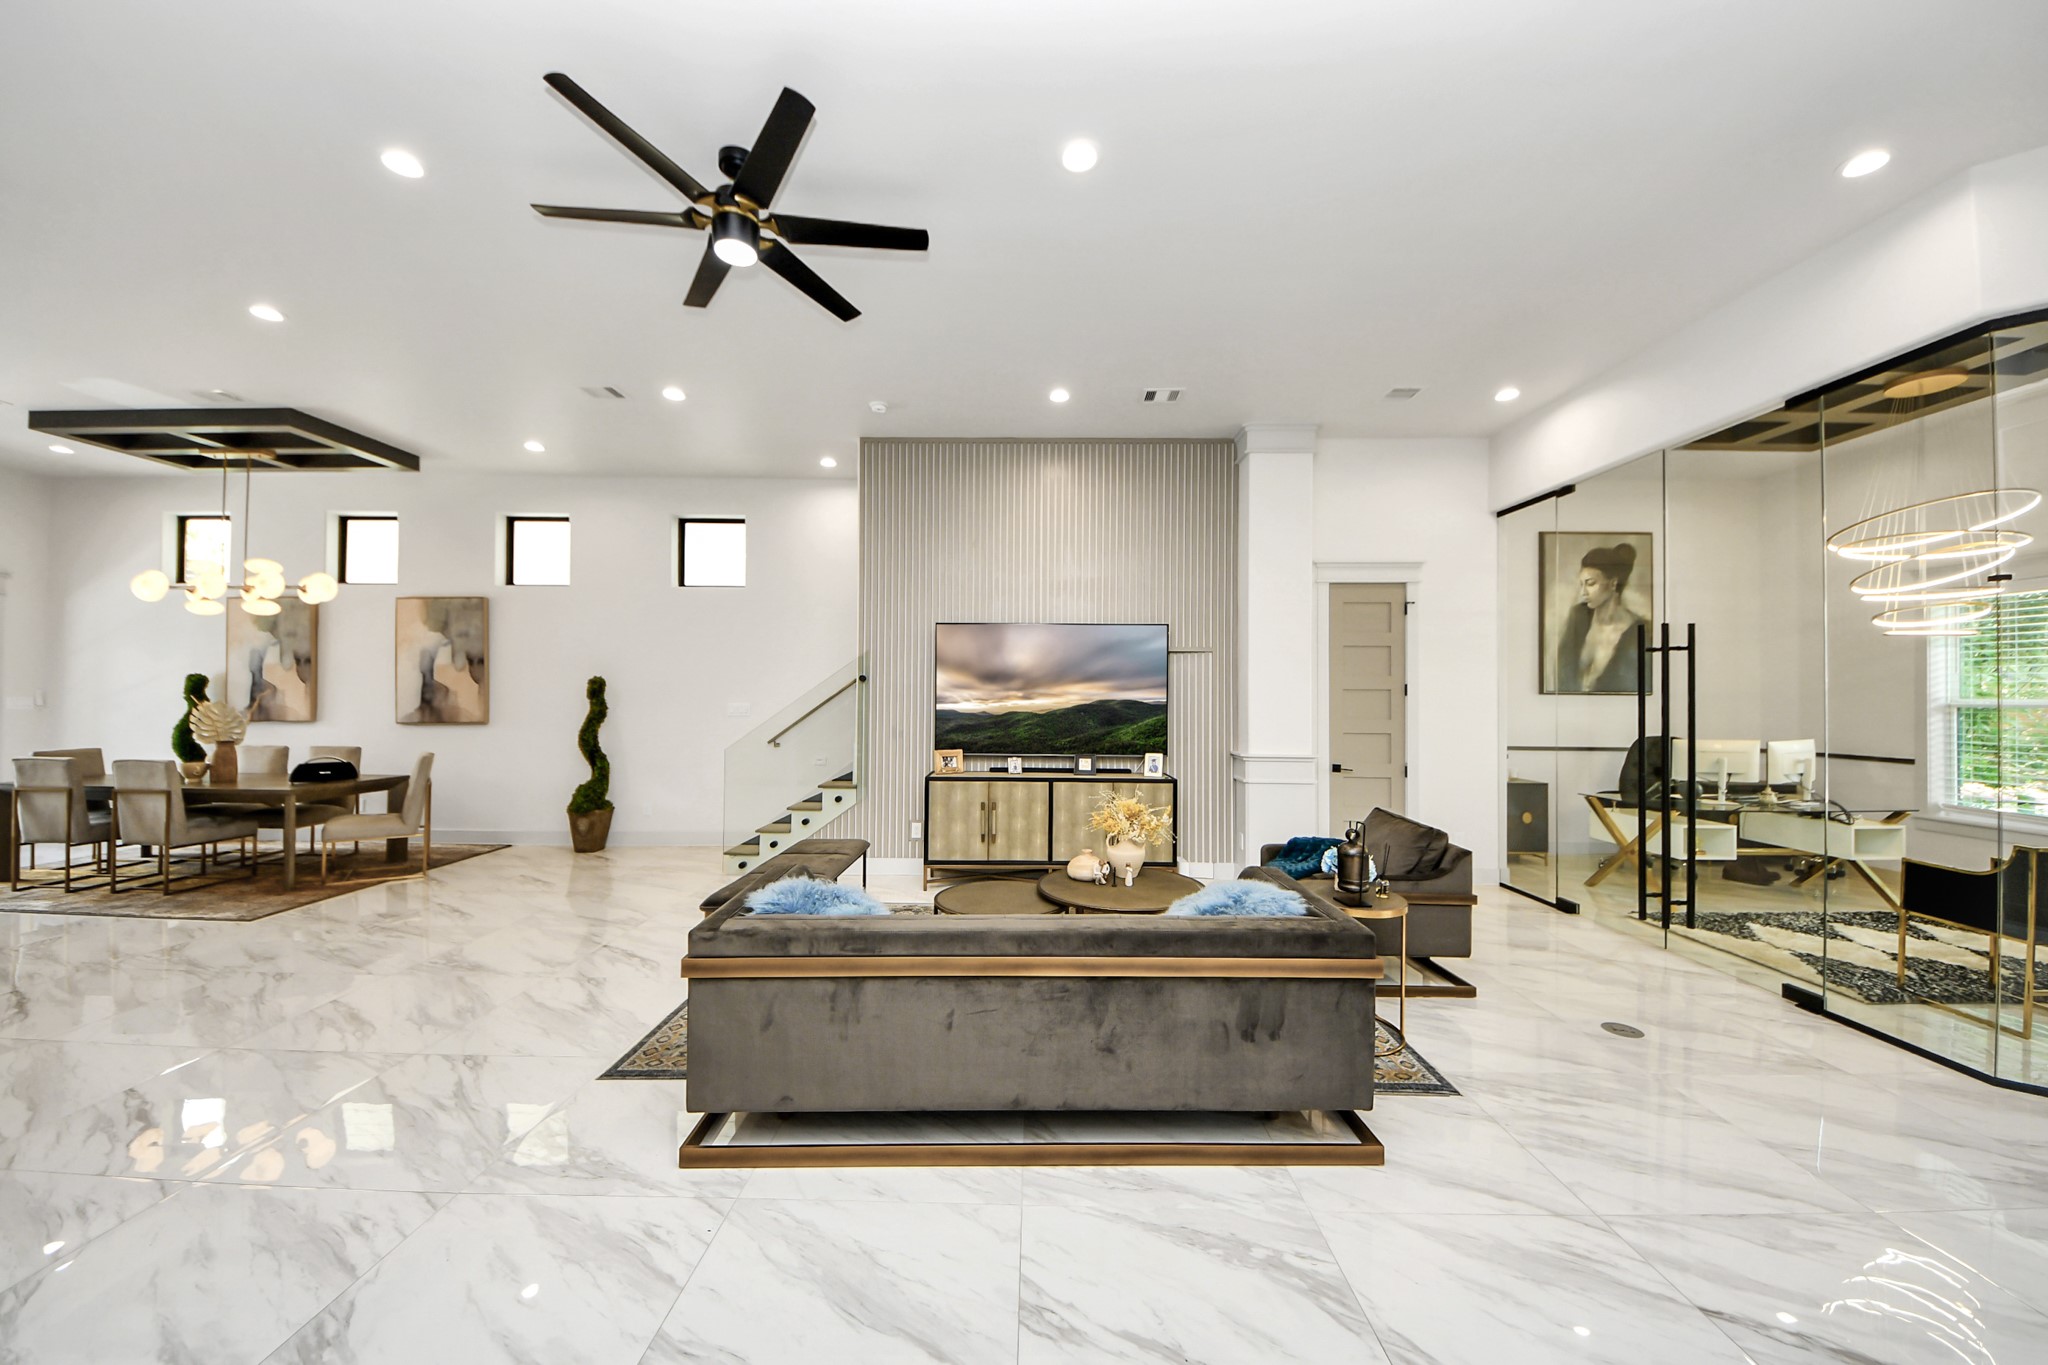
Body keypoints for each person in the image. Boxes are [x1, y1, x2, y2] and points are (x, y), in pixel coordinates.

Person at [1557, 543, 1646, 692]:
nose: (1583, 593)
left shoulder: (1637, 630)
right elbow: (1563, 674)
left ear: (1613, 584)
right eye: (1581, 585)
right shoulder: (1579, 616)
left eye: (1591, 583)